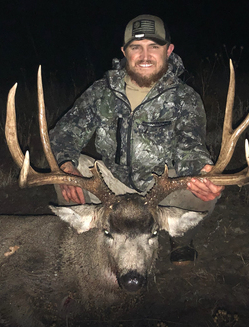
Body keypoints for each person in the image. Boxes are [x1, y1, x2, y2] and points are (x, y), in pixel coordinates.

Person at [49, 14, 224, 263]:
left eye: (154, 47)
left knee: (198, 191)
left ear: (168, 50)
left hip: (158, 193)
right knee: (66, 172)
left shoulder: (184, 98)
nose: (144, 56)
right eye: (136, 47)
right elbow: (63, 134)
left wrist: (201, 172)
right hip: (111, 190)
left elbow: (190, 147)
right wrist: (66, 166)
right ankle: (91, 243)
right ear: (124, 51)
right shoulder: (102, 92)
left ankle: (180, 239)